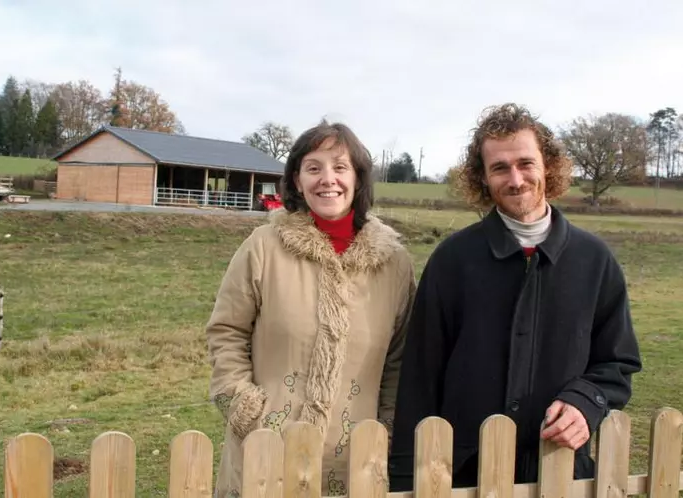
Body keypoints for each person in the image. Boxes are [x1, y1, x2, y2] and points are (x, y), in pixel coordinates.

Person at [387, 103, 642, 490]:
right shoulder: (452, 261)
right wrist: (406, 481)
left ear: (548, 166)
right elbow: (420, 379)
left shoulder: (595, 261)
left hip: (559, 471)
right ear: (482, 178)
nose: (516, 179)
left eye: (526, 163)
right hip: (462, 474)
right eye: (500, 168)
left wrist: (586, 401)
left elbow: (618, 363)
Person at [206, 120, 417, 498]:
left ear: (358, 178)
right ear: (298, 180)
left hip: (353, 456)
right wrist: (247, 409)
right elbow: (226, 331)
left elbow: (401, 358)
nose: (327, 179)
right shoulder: (263, 246)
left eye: (340, 167)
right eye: (313, 167)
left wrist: (385, 427)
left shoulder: (394, 263)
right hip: (265, 446)